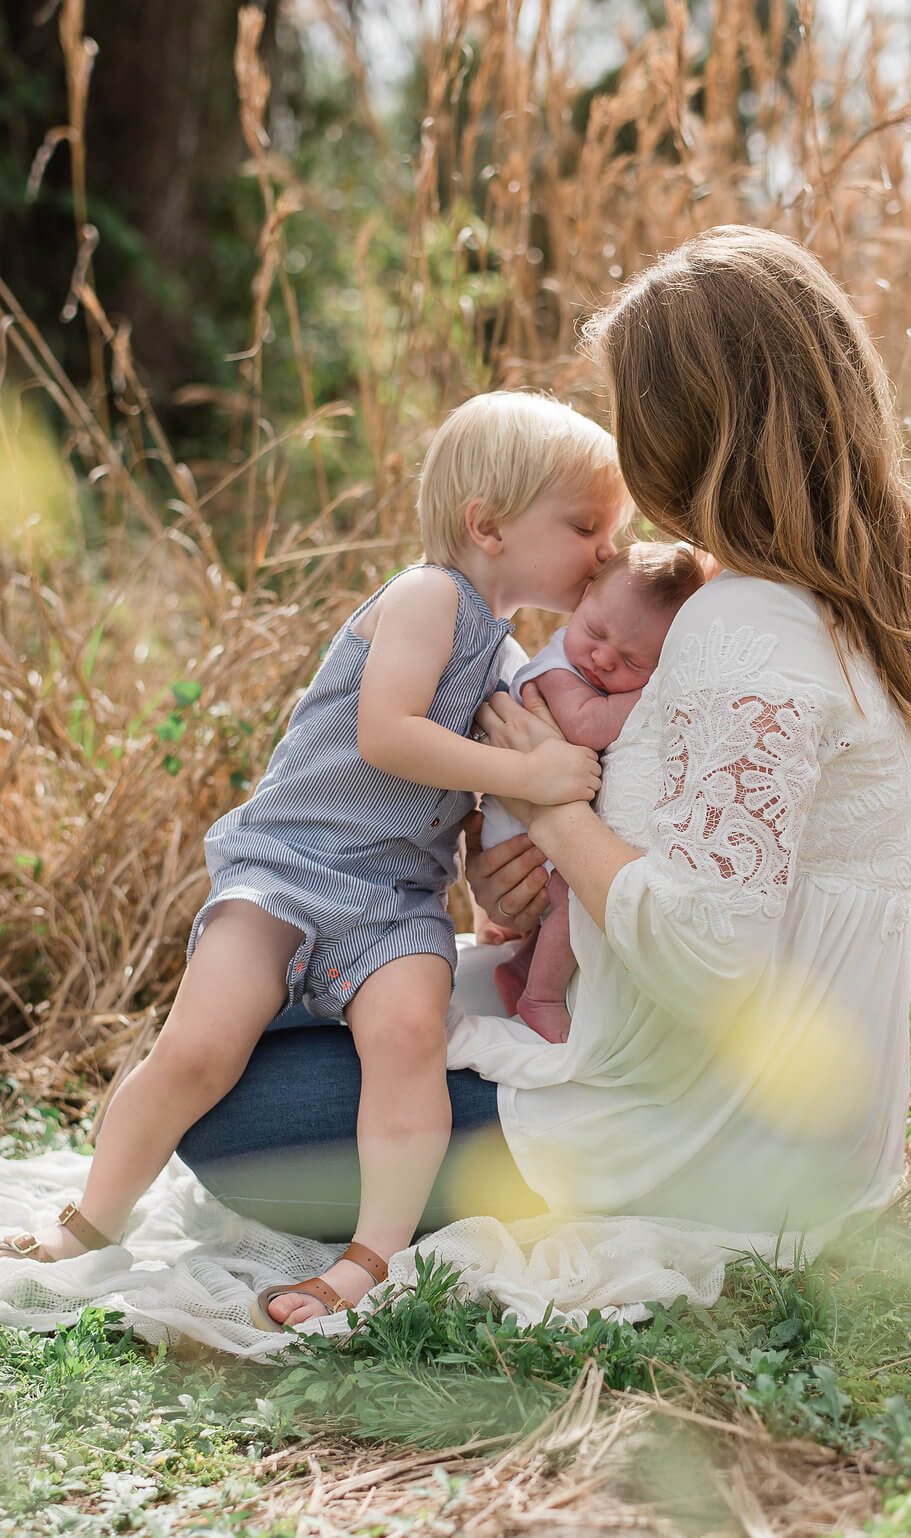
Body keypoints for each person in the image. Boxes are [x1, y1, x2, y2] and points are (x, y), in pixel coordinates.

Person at [35, 226, 911, 1324]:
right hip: (722, 1085)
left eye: (635, 410)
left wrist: (544, 805)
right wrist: (517, 871)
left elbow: (715, 953)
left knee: (233, 1114)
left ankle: (365, 1221)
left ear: (694, 424)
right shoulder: (800, 604)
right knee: (261, 1016)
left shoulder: (747, 628)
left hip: (699, 1121)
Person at [0, 390, 630, 1330]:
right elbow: (389, 738)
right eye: (586, 526)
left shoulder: (504, 659)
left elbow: (452, 801)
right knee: (202, 1047)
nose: (606, 553)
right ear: (487, 525)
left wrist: (491, 877)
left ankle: (370, 1253)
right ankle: (91, 1219)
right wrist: (534, 769)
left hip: (396, 903)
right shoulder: (427, 598)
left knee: (409, 1040)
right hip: (291, 867)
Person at [481, 542, 705, 1042]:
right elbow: (584, 726)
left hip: (539, 817)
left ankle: (521, 969)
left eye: (632, 659)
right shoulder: (556, 667)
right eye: (595, 632)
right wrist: (655, 691)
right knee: (571, 896)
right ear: (583, 600)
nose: (602, 658)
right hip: (516, 826)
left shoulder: (588, 657)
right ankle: (540, 997)